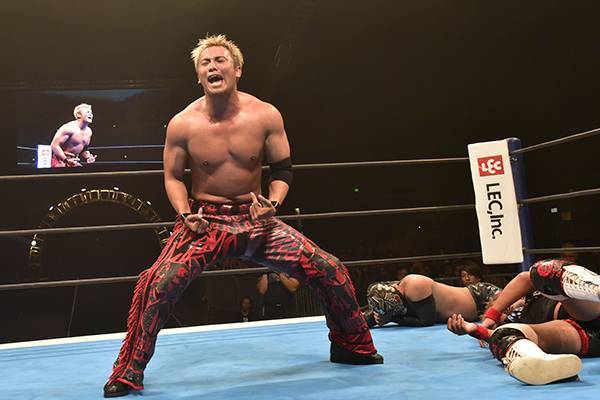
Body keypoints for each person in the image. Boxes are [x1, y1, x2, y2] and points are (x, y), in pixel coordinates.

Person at [103, 34, 382, 398]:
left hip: (257, 220)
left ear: (237, 69)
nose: (212, 67)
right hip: (205, 222)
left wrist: (273, 203)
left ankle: (350, 346)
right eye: (205, 63)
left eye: (220, 60)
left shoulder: (265, 114)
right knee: (159, 283)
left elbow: (282, 169)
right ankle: (128, 371)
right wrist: (185, 214)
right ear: (198, 75)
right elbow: (172, 177)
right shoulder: (182, 124)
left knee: (328, 268)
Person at [447, 259, 600, 385]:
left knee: (545, 271)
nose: (509, 310)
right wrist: (475, 330)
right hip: (581, 333)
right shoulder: (513, 322)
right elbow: (496, 334)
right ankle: (544, 364)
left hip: (588, 309)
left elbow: (524, 278)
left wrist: (490, 318)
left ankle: (596, 286)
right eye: (506, 313)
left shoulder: (534, 293)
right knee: (503, 335)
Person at [363, 274, 500, 327]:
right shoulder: (393, 293)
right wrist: (376, 317)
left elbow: (426, 321)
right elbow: (377, 314)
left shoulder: (415, 284)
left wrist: (392, 318)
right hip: (476, 310)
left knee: (511, 315)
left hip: (482, 297)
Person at [50, 103, 97, 167]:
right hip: (60, 159)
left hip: (74, 160)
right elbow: (54, 145)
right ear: (78, 115)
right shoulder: (68, 128)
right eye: (87, 112)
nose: (90, 114)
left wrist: (88, 157)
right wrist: (66, 160)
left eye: (91, 113)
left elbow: (84, 148)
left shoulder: (89, 131)